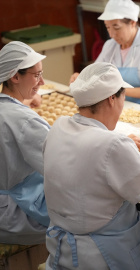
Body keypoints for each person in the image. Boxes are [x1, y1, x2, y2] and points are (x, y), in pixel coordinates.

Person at [43, 62, 140, 270]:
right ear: (111, 99)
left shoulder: (59, 126)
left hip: (62, 253)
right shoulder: (113, 145)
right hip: (108, 257)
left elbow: (89, 151)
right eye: (123, 96)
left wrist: (122, 145)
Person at [70, 0, 140, 113]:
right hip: (127, 108)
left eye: (116, 27)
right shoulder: (110, 46)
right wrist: (82, 77)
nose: (111, 34)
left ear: (132, 23)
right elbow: (97, 73)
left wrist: (116, 89)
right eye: (108, 27)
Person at [0, 41, 50, 245]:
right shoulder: (26, 122)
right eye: (37, 75)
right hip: (18, 215)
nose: (43, 82)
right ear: (15, 76)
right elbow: (65, 165)